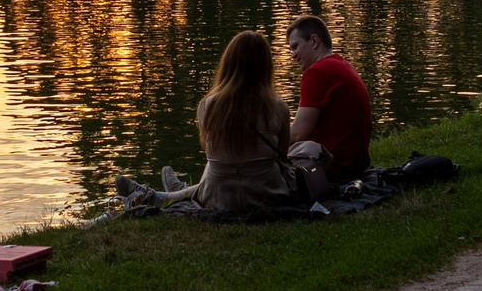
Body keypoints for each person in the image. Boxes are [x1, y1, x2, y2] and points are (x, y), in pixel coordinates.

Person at [116, 32, 303, 215]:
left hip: (217, 199)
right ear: (266, 66)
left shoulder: (207, 105)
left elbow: (208, 150)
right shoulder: (279, 108)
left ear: (228, 64)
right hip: (267, 197)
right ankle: (172, 193)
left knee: (219, 157)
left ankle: (171, 194)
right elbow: (282, 155)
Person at [286, 15, 373, 192]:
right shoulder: (340, 65)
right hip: (354, 165)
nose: (293, 55)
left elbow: (297, 135)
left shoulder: (318, 72)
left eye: (296, 47)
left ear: (314, 41)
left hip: (332, 168)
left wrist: (259, 146)